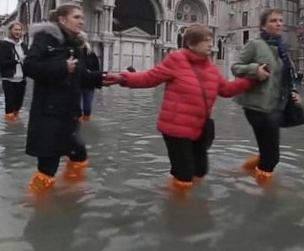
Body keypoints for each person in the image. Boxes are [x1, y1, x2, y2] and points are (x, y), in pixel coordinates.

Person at [106, 24, 256, 193]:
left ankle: (175, 192)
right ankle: (179, 207)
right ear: (191, 44)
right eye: (205, 41)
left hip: (199, 128)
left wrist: (251, 81)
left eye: (211, 40)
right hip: (175, 128)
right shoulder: (176, 60)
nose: (210, 44)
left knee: (200, 170)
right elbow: (149, 78)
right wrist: (123, 78)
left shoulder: (211, 67)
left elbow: (225, 90)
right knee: (183, 175)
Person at [23, 3, 105, 194]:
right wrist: (62, 68)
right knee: (48, 167)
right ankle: (38, 204)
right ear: (62, 19)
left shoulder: (76, 44)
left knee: (79, 157)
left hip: (70, 115)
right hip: (48, 115)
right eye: (77, 17)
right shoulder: (45, 38)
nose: (82, 21)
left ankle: (70, 192)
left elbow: (82, 75)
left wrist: (106, 77)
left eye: (83, 18)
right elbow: (29, 66)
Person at [231, 9, 302, 183]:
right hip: (257, 106)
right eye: (273, 20)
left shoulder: (282, 48)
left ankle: (242, 172)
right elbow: (236, 67)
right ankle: (262, 189)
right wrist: (255, 70)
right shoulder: (255, 44)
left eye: (280, 20)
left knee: (268, 153)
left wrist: (294, 92)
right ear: (263, 25)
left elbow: (284, 77)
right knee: (272, 157)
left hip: (276, 106)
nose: (279, 23)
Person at [0, 21, 28, 121]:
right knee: (9, 104)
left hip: (22, 79)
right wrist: (18, 60)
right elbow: (1, 62)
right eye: (15, 29)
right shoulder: (4, 44)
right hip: (8, 79)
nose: (18, 32)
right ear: (10, 31)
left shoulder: (23, 45)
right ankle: (9, 127)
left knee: (18, 104)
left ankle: (15, 124)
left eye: (19, 30)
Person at [78, 32, 100, 122]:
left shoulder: (91, 54)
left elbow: (96, 70)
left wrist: (98, 87)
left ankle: (85, 123)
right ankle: (78, 124)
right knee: (77, 108)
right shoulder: (73, 52)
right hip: (77, 85)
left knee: (87, 108)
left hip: (89, 85)